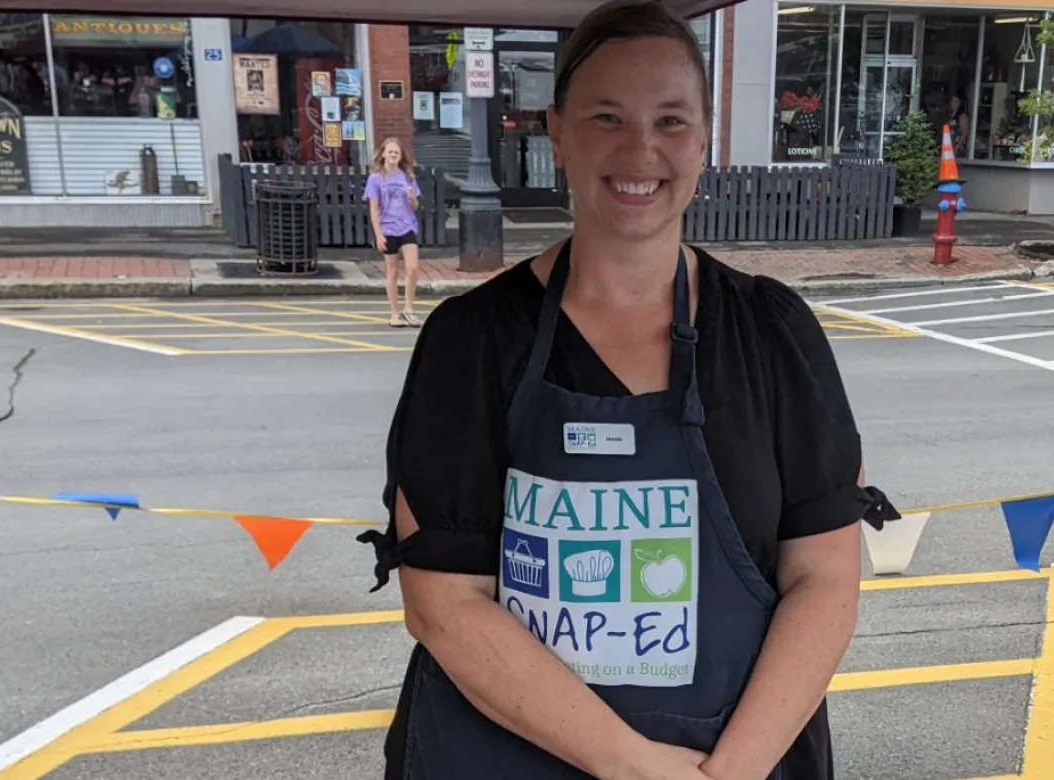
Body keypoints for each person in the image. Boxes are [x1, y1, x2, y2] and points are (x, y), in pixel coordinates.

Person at [359, 1, 898, 777]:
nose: (641, 149)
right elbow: (444, 603)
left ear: (705, 140)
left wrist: (729, 773)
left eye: (671, 121)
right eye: (608, 117)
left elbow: (823, 578)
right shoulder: (473, 341)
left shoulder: (773, 334)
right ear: (559, 133)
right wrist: (634, 766)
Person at [366, 137, 424, 327]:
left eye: (396, 153)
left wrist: (412, 199)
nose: (393, 155)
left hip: (406, 225)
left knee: (413, 268)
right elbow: (374, 208)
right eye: (390, 152)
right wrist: (378, 234)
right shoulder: (375, 179)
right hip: (388, 227)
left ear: (400, 157)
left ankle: (409, 308)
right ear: (383, 154)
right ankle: (394, 312)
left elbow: (416, 206)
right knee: (392, 271)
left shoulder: (407, 177)